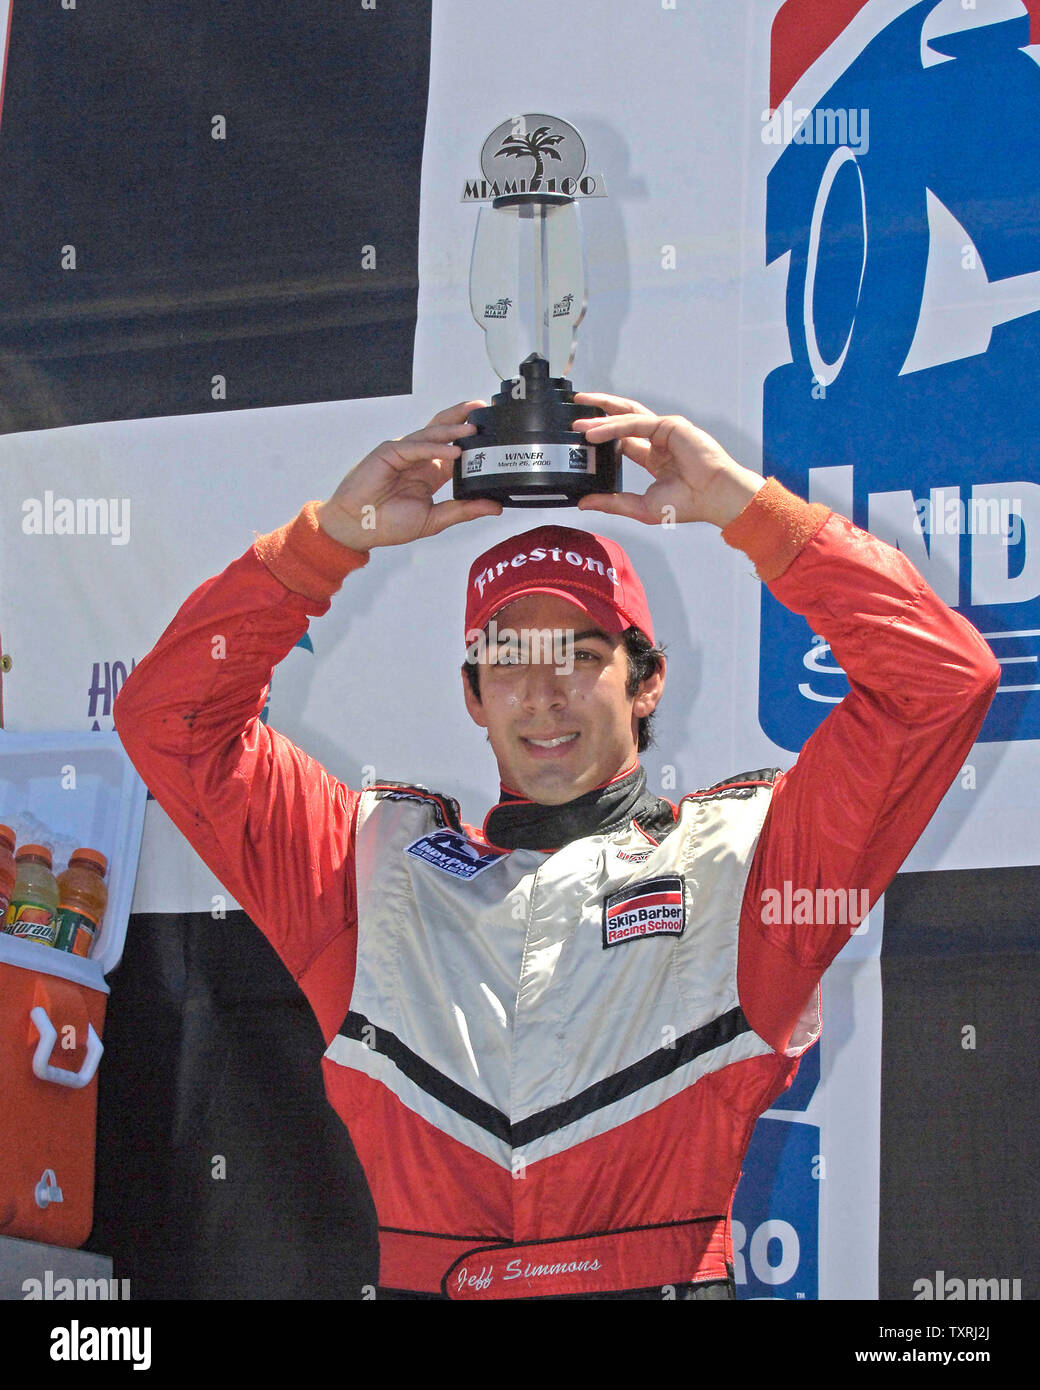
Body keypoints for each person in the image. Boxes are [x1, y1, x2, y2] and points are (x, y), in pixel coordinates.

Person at [113, 392, 999, 1300]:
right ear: (474, 694)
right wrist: (327, 540)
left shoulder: (750, 861)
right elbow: (169, 723)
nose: (542, 693)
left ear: (645, 680)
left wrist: (747, 508)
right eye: (509, 657)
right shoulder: (364, 866)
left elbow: (940, 682)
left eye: (578, 654)